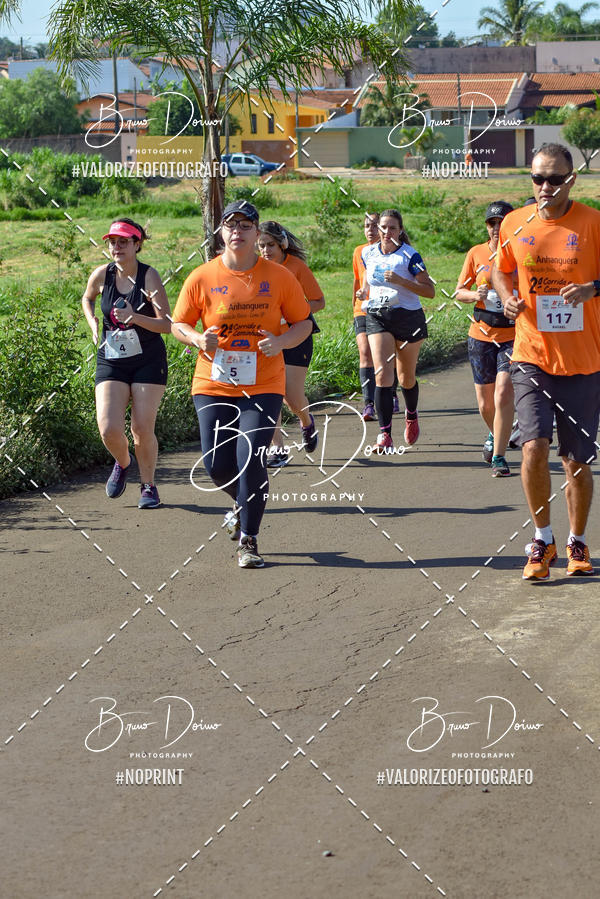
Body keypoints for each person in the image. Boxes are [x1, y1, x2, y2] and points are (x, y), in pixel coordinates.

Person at [170, 201, 312, 568]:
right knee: (216, 465)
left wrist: (280, 342)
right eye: (231, 224)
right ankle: (242, 500)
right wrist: (198, 340)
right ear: (221, 232)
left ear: (256, 232)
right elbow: (178, 324)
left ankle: (249, 540)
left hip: (263, 382)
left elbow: (303, 323)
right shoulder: (202, 277)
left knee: (250, 459)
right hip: (213, 383)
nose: (238, 231)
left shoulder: (280, 277)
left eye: (246, 225)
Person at [494, 142, 600, 579]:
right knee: (534, 447)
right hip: (530, 356)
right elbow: (500, 269)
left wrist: (592, 288)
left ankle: (576, 540)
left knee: (575, 461)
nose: (545, 187)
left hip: (583, 360)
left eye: (555, 178)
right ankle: (543, 538)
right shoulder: (516, 224)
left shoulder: (593, 223)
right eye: (538, 178)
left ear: (571, 180)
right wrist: (506, 298)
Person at [82, 218, 171, 508]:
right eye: (112, 242)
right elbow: (87, 298)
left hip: (147, 359)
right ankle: (123, 461)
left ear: (137, 244)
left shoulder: (149, 278)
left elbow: (167, 325)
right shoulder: (101, 274)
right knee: (108, 428)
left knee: (142, 429)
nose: (116, 247)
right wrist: (93, 320)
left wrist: (135, 317)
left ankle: (148, 486)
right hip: (112, 358)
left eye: (123, 242)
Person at [357, 208, 435, 452]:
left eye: (392, 227)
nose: (387, 231)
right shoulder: (368, 253)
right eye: (383, 227)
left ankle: (411, 414)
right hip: (378, 317)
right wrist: (363, 293)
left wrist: (402, 281)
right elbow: (366, 284)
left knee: (406, 378)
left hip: (408, 318)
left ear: (400, 231)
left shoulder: (409, 256)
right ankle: (385, 435)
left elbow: (429, 291)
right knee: (382, 375)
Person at [455, 201, 516, 477]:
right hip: (480, 334)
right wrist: (474, 295)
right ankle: (495, 434)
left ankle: (499, 457)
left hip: (513, 335)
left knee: (503, 392)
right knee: (485, 403)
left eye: (501, 222)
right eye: (491, 223)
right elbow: (459, 291)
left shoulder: (519, 252)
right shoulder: (476, 253)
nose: (496, 228)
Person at [257, 221, 324, 468]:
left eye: (270, 245)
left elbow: (318, 301)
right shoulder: (256, 269)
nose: (265, 251)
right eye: (261, 245)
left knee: (291, 395)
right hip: (266, 340)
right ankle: (278, 449)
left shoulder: (296, 267)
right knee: (270, 394)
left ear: (283, 244)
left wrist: (292, 315)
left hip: (297, 336)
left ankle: (306, 421)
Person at [351, 212, 400, 421]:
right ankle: (368, 403)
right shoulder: (359, 251)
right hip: (363, 308)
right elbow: (357, 279)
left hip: (387, 308)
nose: (370, 230)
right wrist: (354, 303)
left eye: (374, 226)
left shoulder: (393, 251)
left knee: (387, 356)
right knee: (365, 352)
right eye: (366, 226)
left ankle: (391, 394)